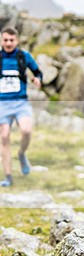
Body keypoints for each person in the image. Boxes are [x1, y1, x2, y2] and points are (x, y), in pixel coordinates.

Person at [0, 27, 43, 187]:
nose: (8, 43)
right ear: (1, 40)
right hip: (2, 104)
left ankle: (22, 153)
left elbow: (38, 72)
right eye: (5, 40)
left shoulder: (24, 56)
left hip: (20, 103)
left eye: (11, 40)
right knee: (4, 137)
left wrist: (37, 79)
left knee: (26, 130)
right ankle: (8, 177)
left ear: (16, 41)